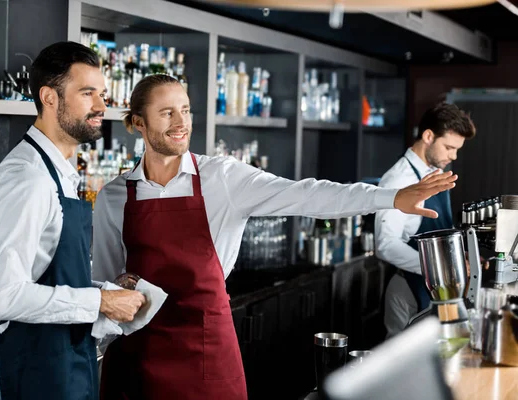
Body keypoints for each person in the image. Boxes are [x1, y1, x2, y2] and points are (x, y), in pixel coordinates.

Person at [92, 75, 458, 399]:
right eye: (166, 112)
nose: (181, 122)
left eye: (185, 110)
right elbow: (109, 285)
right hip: (139, 356)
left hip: (205, 351)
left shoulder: (222, 178)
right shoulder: (114, 195)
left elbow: (308, 194)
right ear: (138, 122)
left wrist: (391, 198)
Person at [0, 41, 146, 400]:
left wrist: (104, 289)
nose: (102, 106)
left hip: (67, 362)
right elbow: (2, 297)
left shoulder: (59, 172)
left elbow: (49, 271)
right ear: (49, 97)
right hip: (38, 371)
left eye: (101, 94)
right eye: (87, 93)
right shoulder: (27, 177)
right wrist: (99, 302)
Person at [375, 102, 476, 338]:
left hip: (437, 287)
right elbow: (385, 245)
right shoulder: (398, 179)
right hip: (408, 289)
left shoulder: (435, 173)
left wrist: (459, 258)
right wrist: (441, 268)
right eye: (449, 147)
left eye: (457, 150)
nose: (453, 156)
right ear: (429, 136)